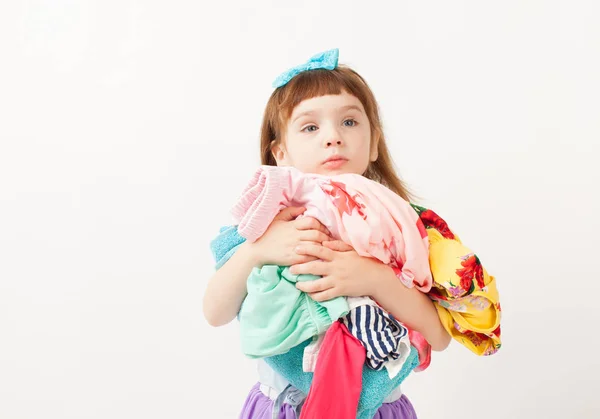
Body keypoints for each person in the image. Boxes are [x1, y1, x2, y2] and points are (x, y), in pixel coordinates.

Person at [203, 48, 501, 418]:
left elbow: (438, 338)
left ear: (374, 142)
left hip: (376, 409)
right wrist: (255, 252)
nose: (333, 137)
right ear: (280, 153)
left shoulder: (402, 229)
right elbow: (215, 313)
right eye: (310, 127)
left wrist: (377, 280)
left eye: (349, 122)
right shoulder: (264, 223)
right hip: (282, 407)